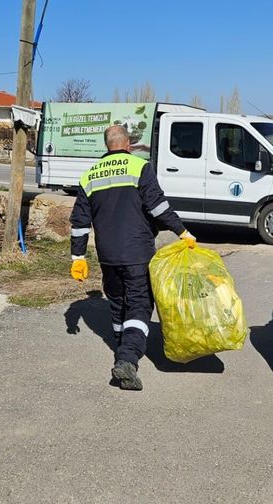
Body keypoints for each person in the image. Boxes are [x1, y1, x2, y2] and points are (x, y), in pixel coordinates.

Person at [69, 125, 195, 391]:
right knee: (139, 305)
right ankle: (127, 359)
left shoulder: (90, 175)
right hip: (138, 253)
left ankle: (122, 345)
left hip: (108, 256)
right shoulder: (139, 167)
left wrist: (78, 256)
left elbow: (80, 222)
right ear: (127, 144)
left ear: (107, 145)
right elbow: (158, 206)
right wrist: (182, 231)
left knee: (117, 302)